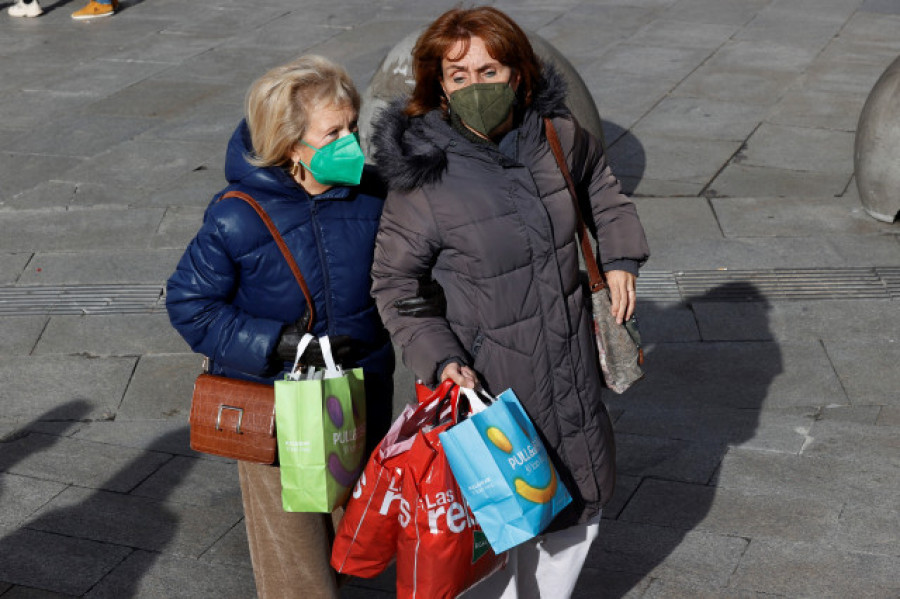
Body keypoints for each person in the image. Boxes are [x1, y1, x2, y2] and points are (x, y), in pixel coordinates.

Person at [370, 7, 650, 598]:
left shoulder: (556, 133)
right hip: (490, 391)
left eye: (489, 70)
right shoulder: (424, 177)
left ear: (519, 74)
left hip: (569, 374)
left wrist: (620, 256)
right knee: (492, 541)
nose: (476, 87)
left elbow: (600, 182)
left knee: (576, 520)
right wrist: (441, 358)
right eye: (458, 75)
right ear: (437, 85)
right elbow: (397, 287)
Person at [166, 55, 437, 599]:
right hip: (276, 413)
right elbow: (190, 304)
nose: (350, 143)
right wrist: (278, 344)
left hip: (360, 398)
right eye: (332, 132)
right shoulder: (236, 215)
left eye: (352, 127)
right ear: (292, 145)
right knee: (297, 573)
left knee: (353, 548)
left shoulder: (374, 194)